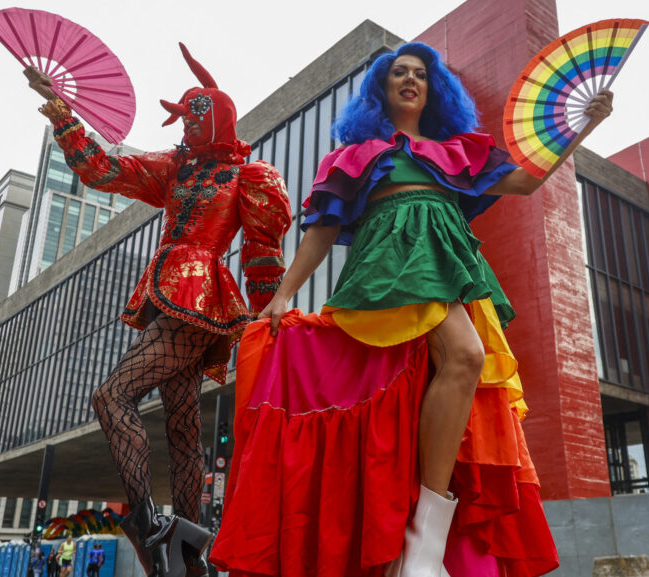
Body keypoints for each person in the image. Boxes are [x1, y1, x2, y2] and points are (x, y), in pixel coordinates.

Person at [210, 42, 612, 577]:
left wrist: (583, 125)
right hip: (391, 267)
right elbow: (322, 230)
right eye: (398, 72)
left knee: (440, 379)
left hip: (447, 264)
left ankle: (422, 541)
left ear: (432, 88)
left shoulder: (459, 148)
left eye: (419, 74)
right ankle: (421, 544)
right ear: (381, 88)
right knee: (465, 358)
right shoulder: (356, 154)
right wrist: (284, 294)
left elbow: (527, 179)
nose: (409, 80)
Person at [23, 40, 291, 577]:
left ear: (218, 119)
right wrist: (61, 109)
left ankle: (151, 527)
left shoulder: (249, 176)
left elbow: (263, 256)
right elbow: (101, 170)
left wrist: (270, 317)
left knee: (112, 395)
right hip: (168, 296)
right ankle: (189, 556)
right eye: (184, 119)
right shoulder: (174, 168)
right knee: (183, 429)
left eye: (196, 117)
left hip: (202, 298)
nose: (185, 129)